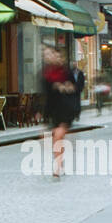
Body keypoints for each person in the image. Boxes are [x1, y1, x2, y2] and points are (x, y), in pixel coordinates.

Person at [41, 46, 79, 178]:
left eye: (53, 55)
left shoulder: (66, 72)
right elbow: (46, 95)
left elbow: (76, 88)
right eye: (47, 55)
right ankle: (60, 163)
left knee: (58, 136)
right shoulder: (46, 74)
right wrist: (42, 112)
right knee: (57, 140)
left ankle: (57, 167)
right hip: (53, 111)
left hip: (66, 109)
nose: (50, 57)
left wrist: (66, 87)